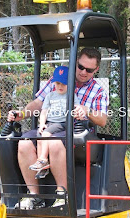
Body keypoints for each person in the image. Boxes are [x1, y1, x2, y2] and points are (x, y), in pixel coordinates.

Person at [7, 47, 108, 209]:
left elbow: (102, 119)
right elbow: (39, 103)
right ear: (76, 62)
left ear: (96, 69)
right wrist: (22, 114)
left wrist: (86, 110)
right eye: (81, 67)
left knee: (54, 142)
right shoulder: (59, 79)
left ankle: (63, 195)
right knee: (24, 142)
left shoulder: (98, 91)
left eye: (89, 70)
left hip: (77, 132)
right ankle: (35, 196)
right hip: (51, 126)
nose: (83, 72)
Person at [29, 65, 79, 176]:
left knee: (46, 133)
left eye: (63, 84)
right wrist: (42, 123)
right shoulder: (50, 96)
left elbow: (77, 107)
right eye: (58, 83)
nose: (60, 86)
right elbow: (44, 111)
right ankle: (42, 166)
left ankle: (43, 159)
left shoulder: (71, 96)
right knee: (40, 135)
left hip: (62, 123)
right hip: (50, 122)